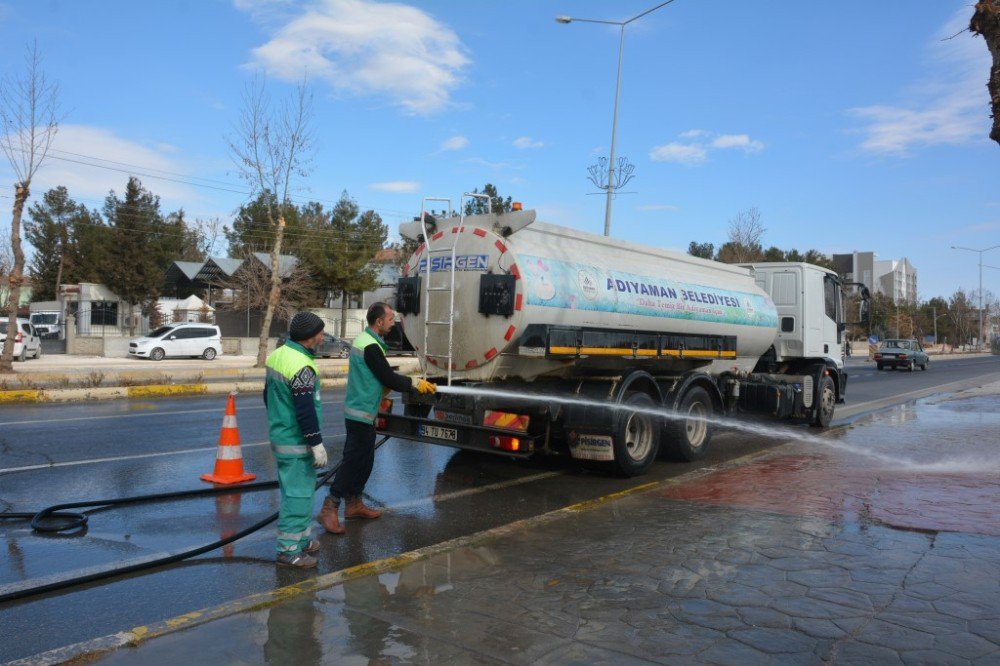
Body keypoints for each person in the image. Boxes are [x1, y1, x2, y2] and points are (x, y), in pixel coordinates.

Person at [318, 302, 436, 534]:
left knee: (365, 460)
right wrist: (415, 383)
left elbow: (379, 376)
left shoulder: (368, 342)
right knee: (353, 461)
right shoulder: (370, 346)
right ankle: (329, 507)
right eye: (391, 319)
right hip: (360, 412)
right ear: (379, 322)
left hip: (365, 412)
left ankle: (354, 504)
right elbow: (388, 377)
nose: (394, 324)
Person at [264, 311, 328, 568]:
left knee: (299, 493)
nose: (323, 336)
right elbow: (305, 409)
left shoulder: (279, 355)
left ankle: (302, 539)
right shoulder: (302, 366)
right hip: (296, 441)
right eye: (321, 332)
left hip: (282, 434)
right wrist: (316, 443)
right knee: (297, 497)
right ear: (311, 337)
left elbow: (266, 396)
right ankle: (288, 550)